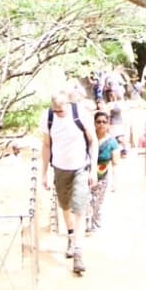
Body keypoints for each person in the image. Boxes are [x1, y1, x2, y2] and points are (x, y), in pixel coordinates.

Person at [44, 89, 94, 275]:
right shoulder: (48, 117)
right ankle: (71, 235)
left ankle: (78, 252)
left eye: (61, 110)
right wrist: (44, 173)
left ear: (68, 104)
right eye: (56, 111)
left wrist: (93, 169)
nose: (59, 113)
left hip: (80, 167)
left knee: (79, 207)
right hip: (59, 167)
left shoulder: (80, 113)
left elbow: (93, 140)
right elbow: (46, 145)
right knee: (64, 205)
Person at [89, 107, 122, 229]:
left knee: (97, 202)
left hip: (102, 174)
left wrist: (115, 182)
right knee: (87, 200)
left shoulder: (112, 142)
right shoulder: (89, 138)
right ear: (94, 123)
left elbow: (115, 163)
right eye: (98, 121)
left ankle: (95, 225)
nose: (101, 124)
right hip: (86, 173)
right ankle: (85, 224)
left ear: (108, 124)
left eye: (104, 121)